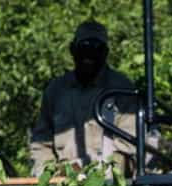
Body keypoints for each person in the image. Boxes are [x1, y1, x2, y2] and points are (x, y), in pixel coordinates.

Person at [29, 20, 139, 177]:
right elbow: (41, 143)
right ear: (72, 50)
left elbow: (128, 148)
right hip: (63, 184)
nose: (89, 54)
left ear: (105, 53)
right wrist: (49, 176)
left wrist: (98, 179)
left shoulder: (122, 89)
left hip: (107, 183)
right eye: (84, 47)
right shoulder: (56, 90)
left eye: (96, 48)